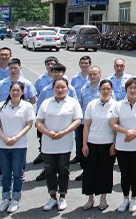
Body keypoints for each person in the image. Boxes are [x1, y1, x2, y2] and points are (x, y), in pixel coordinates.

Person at [37, 77, 83, 212]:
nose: (60, 90)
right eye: (57, 87)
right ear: (53, 89)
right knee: (49, 171)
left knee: (63, 170)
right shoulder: (46, 103)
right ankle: (52, 197)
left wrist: (64, 132)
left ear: (67, 89)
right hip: (48, 143)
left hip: (64, 143)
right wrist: (48, 132)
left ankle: (62, 196)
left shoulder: (73, 103)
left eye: (63, 87)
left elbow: (77, 120)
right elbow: (39, 122)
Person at [0, 81, 35, 214]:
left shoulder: (27, 106)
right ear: (9, 92)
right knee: (5, 173)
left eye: (18, 90)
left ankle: (15, 199)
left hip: (19, 145)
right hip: (3, 145)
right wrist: (4, 138)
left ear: (22, 92)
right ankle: (6, 198)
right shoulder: (1, 106)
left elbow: (29, 124)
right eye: (13, 90)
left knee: (17, 173)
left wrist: (16, 138)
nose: (15, 92)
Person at [110, 78, 136, 213]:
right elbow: (113, 124)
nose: (133, 90)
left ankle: (134, 198)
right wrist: (126, 131)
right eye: (130, 88)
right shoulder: (118, 105)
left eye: (135, 88)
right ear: (126, 90)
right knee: (124, 173)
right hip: (122, 145)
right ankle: (125, 198)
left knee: (135, 173)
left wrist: (135, 133)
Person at [34, 63, 77, 180]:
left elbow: (75, 106)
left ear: (64, 73)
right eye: (54, 72)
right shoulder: (45, 90)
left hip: (65, 127)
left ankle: (63, 174)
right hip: (48, 126)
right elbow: (39, 106)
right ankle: (47, 170)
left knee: (64, 156)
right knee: (47, 152)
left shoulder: (70, 89)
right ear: (51, 73)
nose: (57, 74)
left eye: (59, 72)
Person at [82, 79, 116, 211]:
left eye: (108, 89)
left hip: (108, 144)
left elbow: (116, 128)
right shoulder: (92, 105)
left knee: (105, 172)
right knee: (90, 172)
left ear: (111, 90)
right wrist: (84, 144)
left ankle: (103, 199)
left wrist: (114, 144)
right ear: (99, 90)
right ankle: (90, 199)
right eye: (103, 89)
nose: (106, 91)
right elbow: (86, 126)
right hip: (92, 143)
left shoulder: (116, 105)